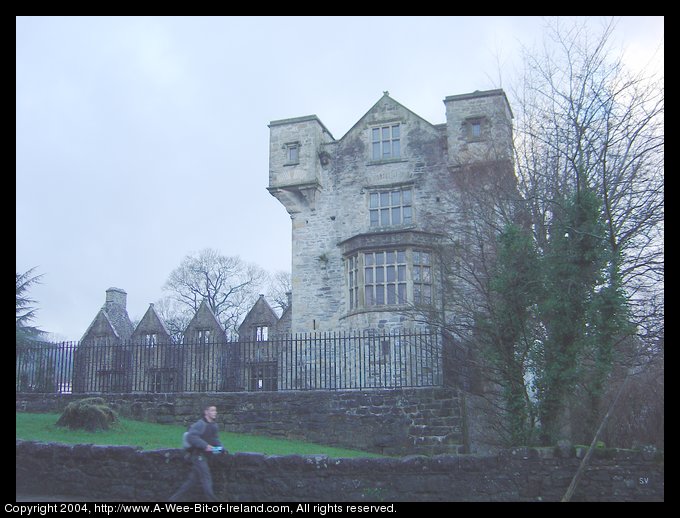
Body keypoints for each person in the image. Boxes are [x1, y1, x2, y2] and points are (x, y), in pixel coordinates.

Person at [169, 405, 225, 502]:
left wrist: (221, 448)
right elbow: (191, 436)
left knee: (191, 482)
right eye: (212, 410)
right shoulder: (200, 424)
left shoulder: (214, 426)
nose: (215, 412)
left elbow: (215, 439)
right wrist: (205, 446)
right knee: (207, 478)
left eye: (215, 410)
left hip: (206, 457)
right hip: (198, 456)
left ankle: (172, 500)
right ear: (206, 412)